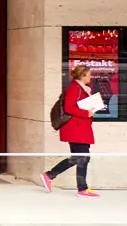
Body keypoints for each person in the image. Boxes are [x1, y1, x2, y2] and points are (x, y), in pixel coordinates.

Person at [41, 64, 100, 198]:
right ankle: (82, 188)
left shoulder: (82, 88)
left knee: (79, 158)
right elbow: (68, 108)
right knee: (83, 157)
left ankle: (50, 175)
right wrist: (86, 113)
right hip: (75, 128)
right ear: (82, 76)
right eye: (89, 74)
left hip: (79, 128)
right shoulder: (75, 88)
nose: (91, 76)